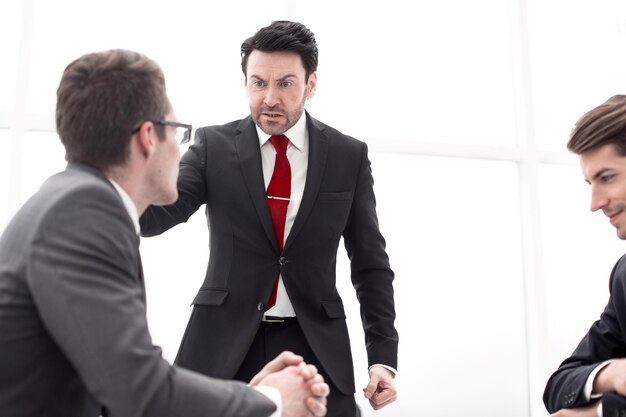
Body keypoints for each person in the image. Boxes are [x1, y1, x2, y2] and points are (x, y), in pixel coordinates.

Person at [0, 48, 330, 417]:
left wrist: (249, 394)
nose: (180, 147)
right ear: (147, 138)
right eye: (176, 130)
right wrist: (272, 401)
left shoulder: (70, 200)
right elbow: (141, 393)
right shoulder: (84, 216)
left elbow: (117, 391)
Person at [140, 20, 398, 417]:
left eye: (285, 84)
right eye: (258, 83)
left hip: (314, 344)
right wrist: (124, 167)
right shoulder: (213, 145)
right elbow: (157, 216)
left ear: (311, 84)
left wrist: (382, 357)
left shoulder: (349, 157)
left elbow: (370, 264)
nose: (270, 98)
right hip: (222, 344)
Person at [543, 94, 626, 416]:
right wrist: (613, 374)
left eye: (607, 178)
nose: (595, 203)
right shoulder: (624, 276)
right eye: (590, 182)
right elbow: (560, 385)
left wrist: (601, 411)